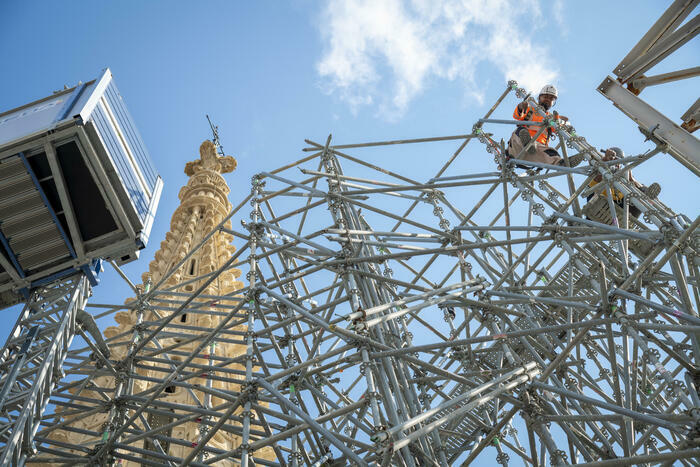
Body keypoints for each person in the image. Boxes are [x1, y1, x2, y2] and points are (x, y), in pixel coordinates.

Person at [506, 85, 584, 168]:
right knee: (521, 131)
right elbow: (517, 115)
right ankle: (529, 144)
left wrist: (566, 125)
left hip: (535, 154)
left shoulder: (551, 118)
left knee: (549, 152)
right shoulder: (530, 107)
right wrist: (521, 106)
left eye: (551, 98)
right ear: (539, 97)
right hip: (517, 149)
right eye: (545, 96)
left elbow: (560, 129)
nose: (548, 99)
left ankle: (562, 163)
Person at [587, 147, 661, 218]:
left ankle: (656, 208)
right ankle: (650, 202)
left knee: (642, 190)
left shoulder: (621, 182)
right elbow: (598, 175)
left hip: (619, 209)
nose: (617, 165)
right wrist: (606, 159)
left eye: (619, 163)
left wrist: (631, 178)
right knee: (638, 190)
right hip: (600, 206)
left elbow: (637, 188)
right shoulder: (599, 172)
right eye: (615, 161)